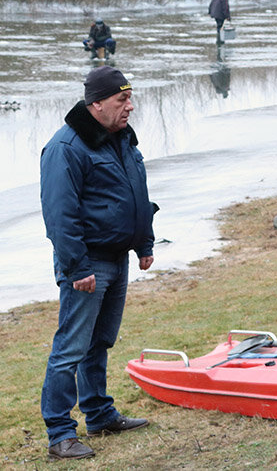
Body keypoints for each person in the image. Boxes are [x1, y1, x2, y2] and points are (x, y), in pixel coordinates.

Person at [39, 66, 156, 460]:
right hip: (87, 265)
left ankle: (100, 414)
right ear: (97, 103)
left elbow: (136, 192)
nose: (130, 107)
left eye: (130, 98)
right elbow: (60, 215)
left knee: (99, 343)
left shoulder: (119, 139)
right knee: (70, 348)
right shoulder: (66, 147)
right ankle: (59, 435)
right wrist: (78, 268)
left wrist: (144, 243)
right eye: (122, 100)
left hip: (117, 259)